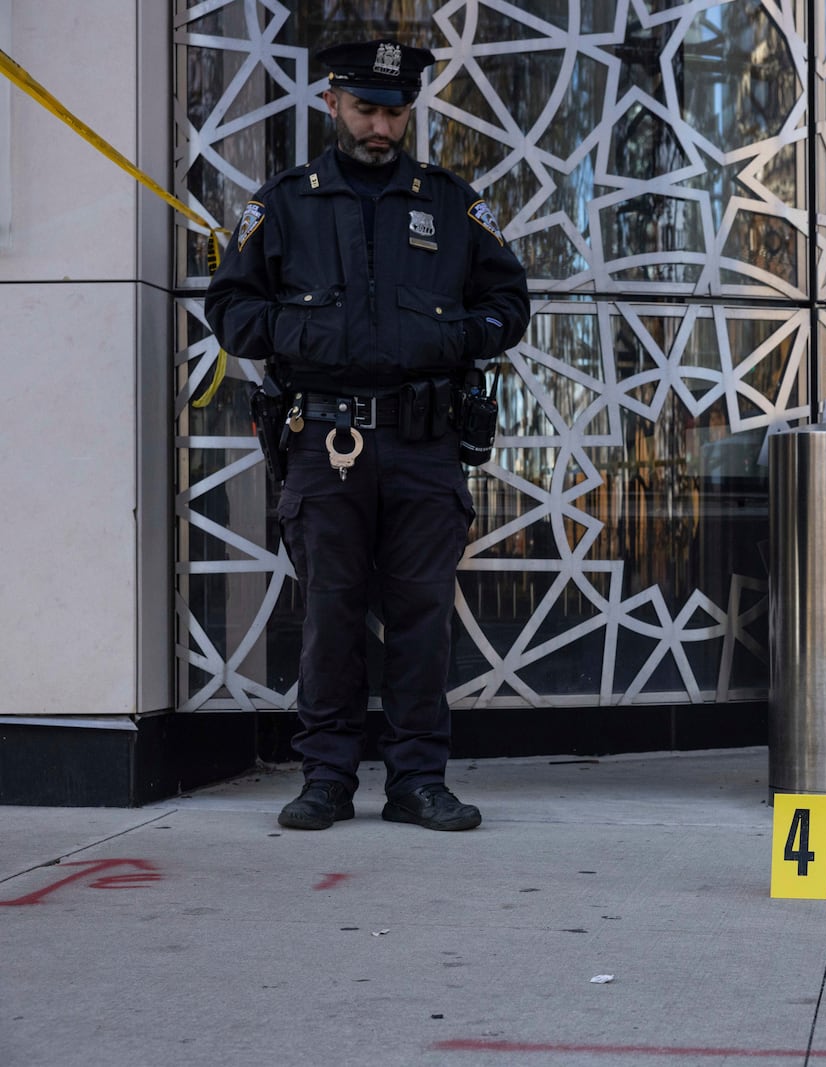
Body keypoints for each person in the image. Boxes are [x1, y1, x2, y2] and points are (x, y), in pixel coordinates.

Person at [206, 38, 530, 832]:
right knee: (331, 613)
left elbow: (509, 305)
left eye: (394, 112)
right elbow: (230, 311)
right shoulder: (285, 202)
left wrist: (452, 340)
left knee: (422, 615)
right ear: (331, 104)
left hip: (425, 444)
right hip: (325, 442)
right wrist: (313, 336)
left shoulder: (451, 202)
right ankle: (327, 777)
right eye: (365, 110)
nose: (381, 128)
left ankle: (418, 780)